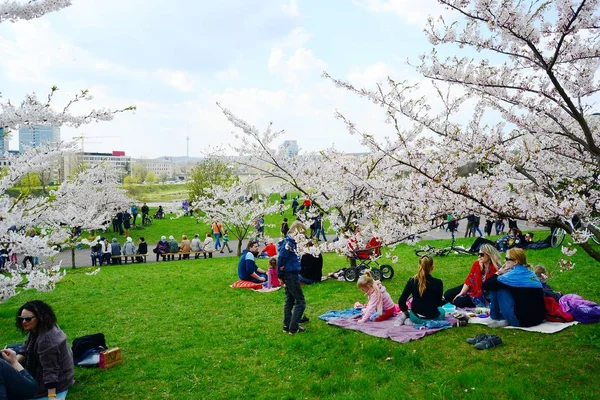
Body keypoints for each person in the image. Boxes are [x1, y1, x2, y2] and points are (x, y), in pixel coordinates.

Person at [15, 300, 74, 399]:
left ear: (40, 318)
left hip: (56, 382)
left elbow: (50, 370)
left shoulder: (46, 340)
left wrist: (51, 396)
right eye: (22, 318)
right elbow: (26, 348)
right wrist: (13, 360)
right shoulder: (40, 329)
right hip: (60, 375)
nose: (24, 322)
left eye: (28, 319)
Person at [482, 248, 545, 328]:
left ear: (515, 262)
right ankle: (506, 318)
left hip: (521, 321)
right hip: (538, 318)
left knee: (496, 286)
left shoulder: (512, 275)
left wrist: (498, 273)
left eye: (507, 259)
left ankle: (495, 315)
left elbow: (486, 285)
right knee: (499, 284)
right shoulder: (531, 273)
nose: (504, 261)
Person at [397, 255, 446, 324]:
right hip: (434, 317)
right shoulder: (438, 282)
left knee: (439, 310)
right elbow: (438, 303)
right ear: (432, 267)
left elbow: (401, 301)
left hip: (416, 317)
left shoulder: (412, 281)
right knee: (442, 311)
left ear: (419, 266)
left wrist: (406, 312)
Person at [278, 221, 307, 335]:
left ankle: (287, 325)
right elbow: (281, 259)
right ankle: (293, 327)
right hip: (290, 274)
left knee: (290, 299)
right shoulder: (288, 243)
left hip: (290, 272)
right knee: (300, 301)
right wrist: (280, 275)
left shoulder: (290, 242)